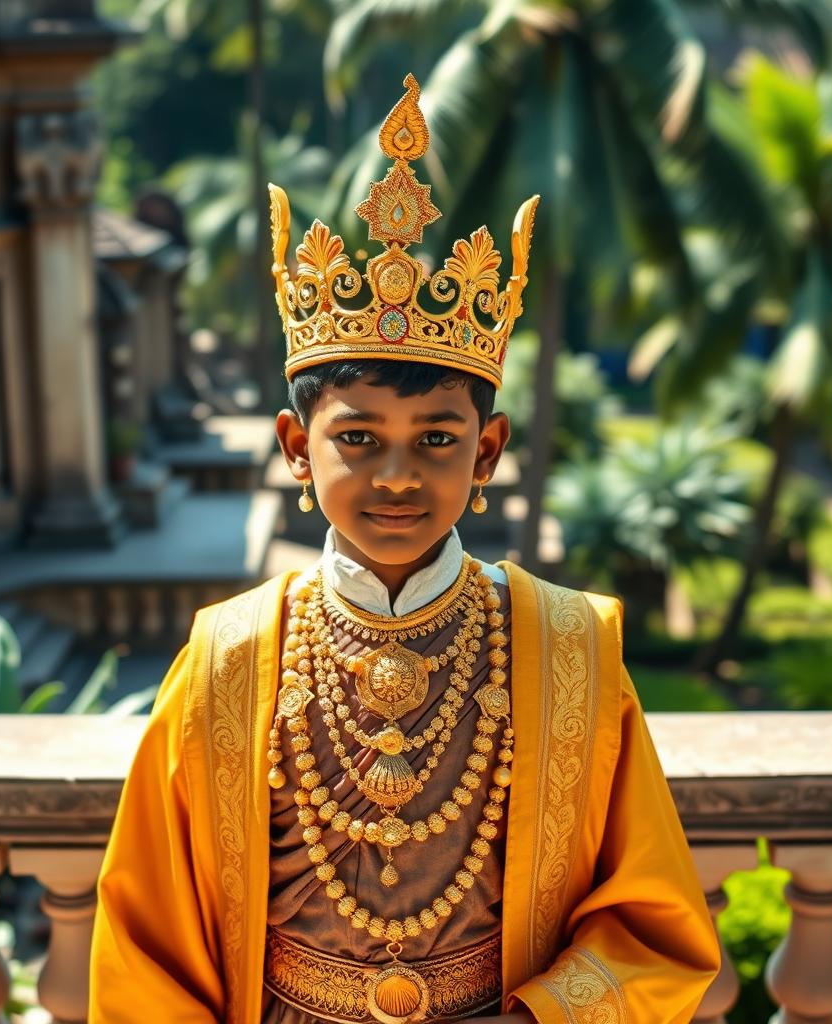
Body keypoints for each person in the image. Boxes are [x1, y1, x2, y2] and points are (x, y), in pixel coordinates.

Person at [89, 73, 721, 1024]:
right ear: (297, 447)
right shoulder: (227, 659)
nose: (396, 476)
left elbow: (655, 928)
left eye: (436, 438)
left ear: (489, 451)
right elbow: (146, 953)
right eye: (358, 438)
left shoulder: (570, 646)